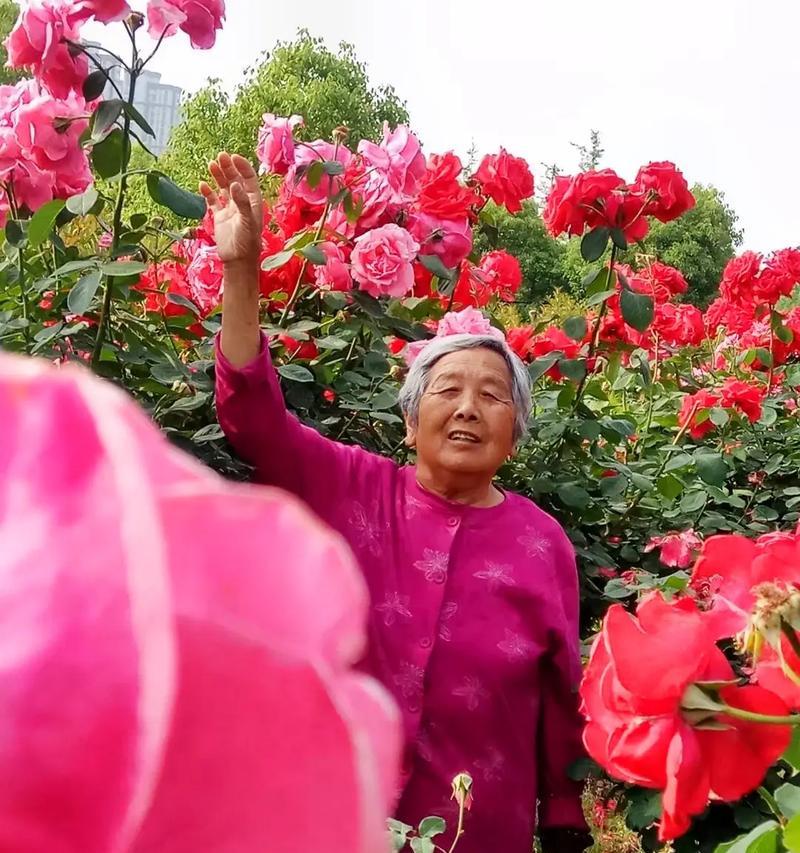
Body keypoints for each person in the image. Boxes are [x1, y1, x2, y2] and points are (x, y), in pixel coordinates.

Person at [203, 152, 591, 853]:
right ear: (411, 422)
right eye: (447, 391)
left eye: (492, 395)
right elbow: (252, 420)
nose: (468, 408)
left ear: (515, 431)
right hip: (334, 821)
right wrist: (241, 272)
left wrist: (564, 818)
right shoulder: (352, 486)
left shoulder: (543, 544)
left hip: (478, 832)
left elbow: (562, 699)